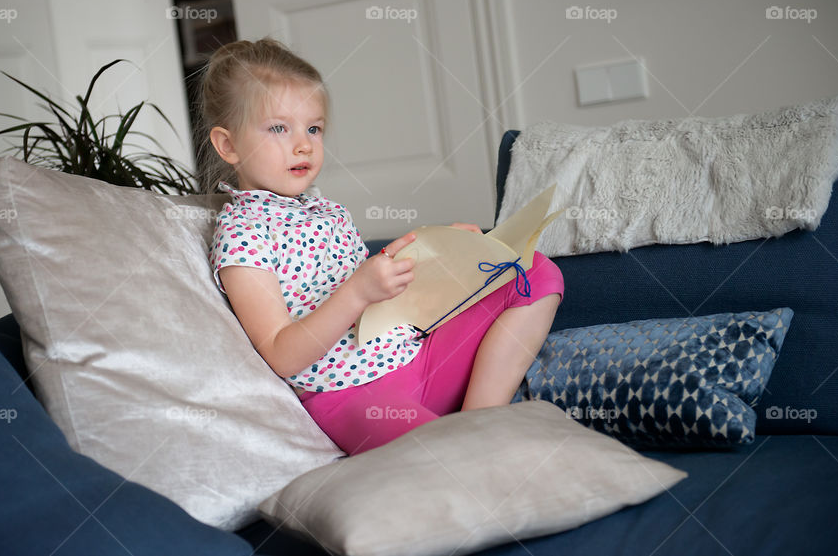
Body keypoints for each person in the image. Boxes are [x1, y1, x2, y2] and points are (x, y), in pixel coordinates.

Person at [199, 37, 564, 456]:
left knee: (531, 270)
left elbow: (376, 293)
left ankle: (481, 420)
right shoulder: (243, 233)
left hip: (418, 355)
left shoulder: (328, 212)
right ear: (228, 145)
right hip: (353, 396)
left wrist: (442, 252)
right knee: (448, 460)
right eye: (279, 128)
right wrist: (357, 292)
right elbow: (281, 354)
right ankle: (471, 449)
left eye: (313, 128)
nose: (303, 144)